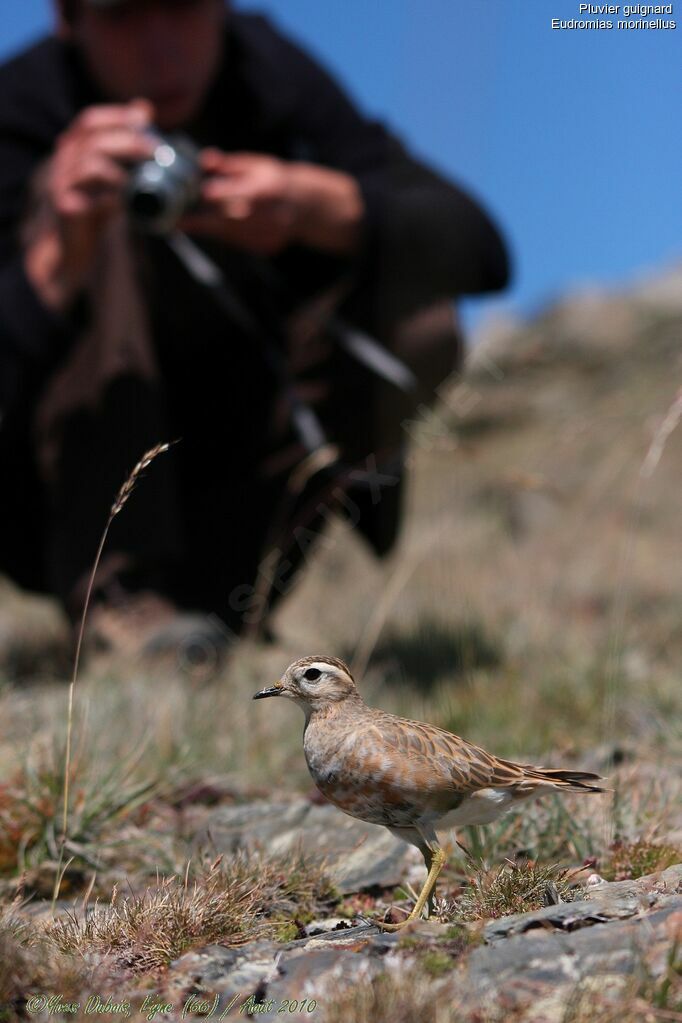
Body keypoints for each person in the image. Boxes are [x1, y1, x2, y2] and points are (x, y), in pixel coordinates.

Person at [0, 0, 510, 660]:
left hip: (244, 471)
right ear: (68, 20)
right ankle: (119, 605)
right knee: (96, 197)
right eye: (122, 14)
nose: (163, 50)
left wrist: (314, 207)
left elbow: (481, 247)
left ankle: (229, 602)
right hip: (61, 499)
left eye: (184, 8)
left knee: (418, 327)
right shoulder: (22, 107)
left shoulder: (267, 72)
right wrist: (54, 263)